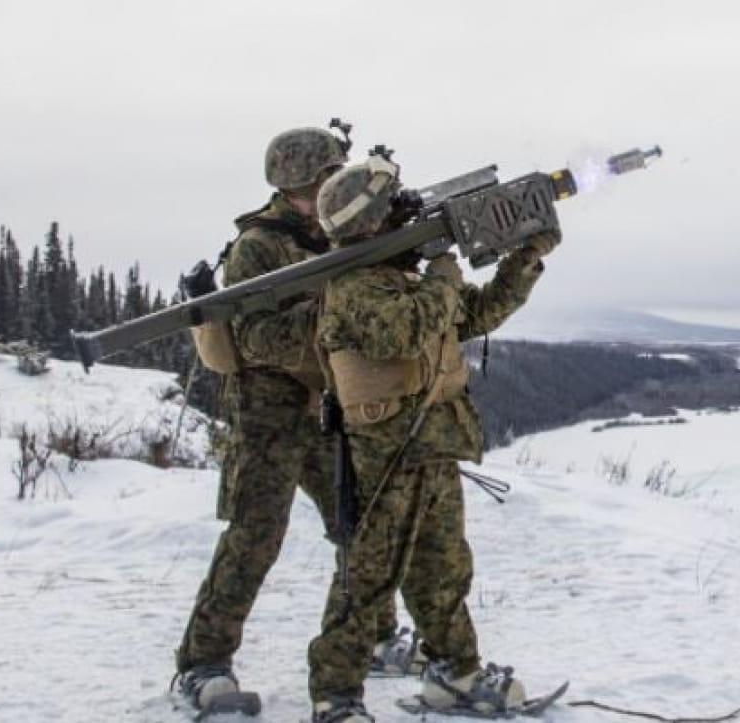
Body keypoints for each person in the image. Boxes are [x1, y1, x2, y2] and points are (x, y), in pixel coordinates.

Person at [306, 155, 558, 723]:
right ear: (370, 222)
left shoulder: (404, 281)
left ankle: (456, 672)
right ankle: (335, 695)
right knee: (368, 575)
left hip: (434, 443)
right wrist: (445, 270)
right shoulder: (352, 286)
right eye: (393, 206)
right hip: (386, 453)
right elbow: (408, 329)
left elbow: (480, 312)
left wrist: (528, 255)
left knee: (443, 568)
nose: (405, 212)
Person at [172, 124, 403, 712]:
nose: (332, 186)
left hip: (327, 405)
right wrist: (331, 320)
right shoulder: (261, 245)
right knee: (255, 535)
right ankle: (203, 662)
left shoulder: (340, 228)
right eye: (322, 179)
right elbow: (253, 338)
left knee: (359, 525)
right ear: (295, 183)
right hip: (269, 411)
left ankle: (377, 634)